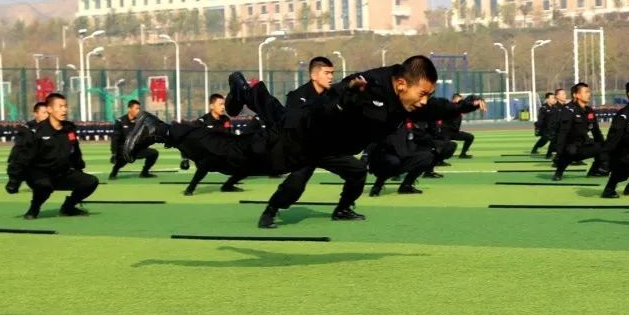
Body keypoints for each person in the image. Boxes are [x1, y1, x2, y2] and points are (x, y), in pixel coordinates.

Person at [121, 56, 486, 186]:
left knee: (272, 115)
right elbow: (336, 102)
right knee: (233, 159)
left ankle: (245, 89)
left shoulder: (402, 97)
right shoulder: (367, 87)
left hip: (312, 139)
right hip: (301, 139)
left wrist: (465, 106)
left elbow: (433, 108)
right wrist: (346, 96)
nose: (422, 101)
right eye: (421, 93)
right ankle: (161, 129)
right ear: (403, 84)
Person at [258, 57, 367, 228]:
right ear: (314, 75)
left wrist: (356, 92)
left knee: (358, 170)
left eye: (332, 73)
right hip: (304, 150)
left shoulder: (334, 94)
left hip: (326, 149)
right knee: (295, 185)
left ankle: (343, 209)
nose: (331, 77)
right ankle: (270, 210)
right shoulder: (297, 97)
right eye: (327, 73)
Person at [6, 93, 99, 219]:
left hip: (61, 173)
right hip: (39, 174)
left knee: (91, 182)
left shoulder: (69, 129)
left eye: (65, 106)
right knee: (44, 186)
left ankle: (68, 207)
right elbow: (22, 157)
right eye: (60, 106)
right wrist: (14, 180)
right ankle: (34, 209)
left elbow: (74, 150)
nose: (64, 110)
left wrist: (78, 167)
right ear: (49, 109)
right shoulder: (36, 131)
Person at [182, 94, 249, 195]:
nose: (223, 107)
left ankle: (227, 186)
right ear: (212, 106)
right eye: (220, 104)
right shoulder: (202, 122)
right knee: (207, 160)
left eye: (224, 104)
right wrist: (185, 158)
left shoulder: (226, 120)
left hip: (222, 157)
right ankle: (190, 188)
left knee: (247, 164)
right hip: (205, 157)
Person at [552, 82, 609, 181]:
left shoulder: (589, 111)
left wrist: (604, 147)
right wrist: (559, 152)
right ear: (576, 95)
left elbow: (596, 132)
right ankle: (559, 172)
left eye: (589, 92)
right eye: (586, 92)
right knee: (570, 151)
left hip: (584, 143)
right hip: (569, 145)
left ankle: (594, 171)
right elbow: (562, 132)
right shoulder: (568, 110)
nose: (589, 94)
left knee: (603, 146)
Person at [366, 120, 436, 196]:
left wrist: (434, 144)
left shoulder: (407, 124)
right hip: (383, 161)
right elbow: (372, 144)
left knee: (427, 157)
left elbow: (422, 136)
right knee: (393, 161)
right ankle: (377, 185)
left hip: (403, 157)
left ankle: (406, 185)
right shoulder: (383, 123)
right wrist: (365, 158)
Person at [109, 100, 159, 179]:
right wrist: (113, 153)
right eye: (136, 108)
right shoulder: (120, 121)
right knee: (122, 161)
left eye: (139, 109)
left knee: (154, 153)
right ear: (129, 109)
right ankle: (114, 172)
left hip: (137, 148)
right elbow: (115, 138)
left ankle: (144, 172)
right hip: (124, 149)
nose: (138, 111)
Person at [438, 93, 475, 159]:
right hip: (445, 132)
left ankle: (463, 154)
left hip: (454, 132)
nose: (461, 101)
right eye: (459, 99)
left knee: (470, 137)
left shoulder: (459, 108)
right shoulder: (449, 107)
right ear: (454, 100)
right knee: (445, 146)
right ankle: (439, 159)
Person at [545, 88, 569, 159]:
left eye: (565, 94)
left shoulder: (565, 107)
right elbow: (552, 122)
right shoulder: (555, 108)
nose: (565, 95)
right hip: (557, 132)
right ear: (557, 96)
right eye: (563, 94)